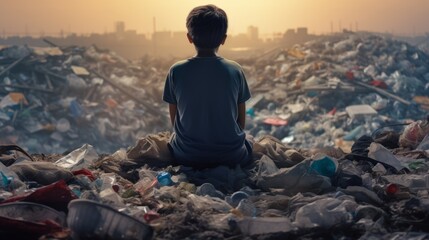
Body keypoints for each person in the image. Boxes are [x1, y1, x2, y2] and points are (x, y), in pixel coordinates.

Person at [163, 4, 253, 169]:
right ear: (224, 39)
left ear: (189, 37)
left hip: (187, 156)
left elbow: (174, 121)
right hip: (232, 156)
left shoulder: (176, 71)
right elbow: (241, 122)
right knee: (251, 144)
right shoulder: (235, 70)